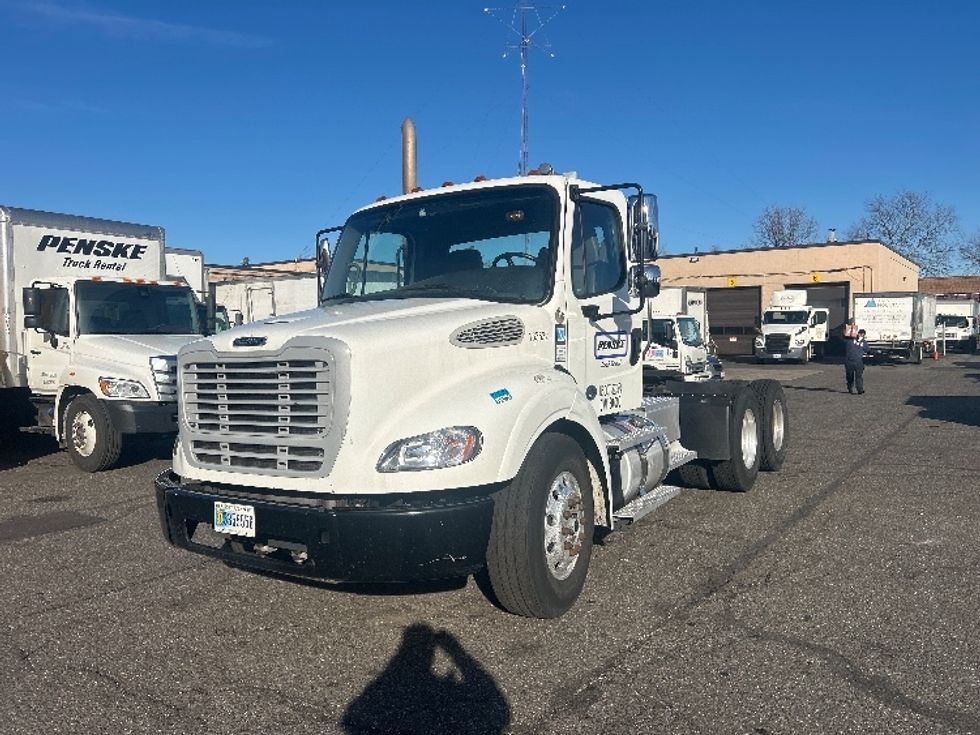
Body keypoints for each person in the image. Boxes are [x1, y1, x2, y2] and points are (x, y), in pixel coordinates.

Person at [844, 327, 867, 394]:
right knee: (850, 376)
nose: (861, 336)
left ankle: (860, 389)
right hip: (849, 360)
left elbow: (867, 350)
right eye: (860, 334)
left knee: (858, 376)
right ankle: (850, 387)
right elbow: (845, 336)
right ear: (857, 334)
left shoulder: (864, 342)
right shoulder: (850, 340)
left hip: (858, 361)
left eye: (862, 335)